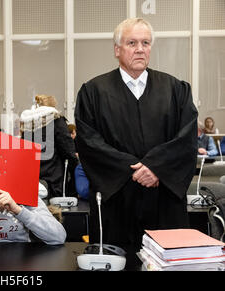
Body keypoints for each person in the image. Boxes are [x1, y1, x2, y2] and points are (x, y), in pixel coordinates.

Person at [75, 18, 198, 252]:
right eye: (132, 43)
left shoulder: (176, 90)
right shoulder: (93, 92)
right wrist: (134, 170)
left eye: (145, 42)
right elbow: (89, 143)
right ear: (117, 50)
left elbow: (186, 139)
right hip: (117, 201)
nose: (140, 49)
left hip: (164, 198)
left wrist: (155, 168)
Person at [21, 95, 77, 198]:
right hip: (54, 179)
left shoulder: (28, 124)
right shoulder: (57, 120)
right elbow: (68, 150)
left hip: (32, 180)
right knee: (54, 212)